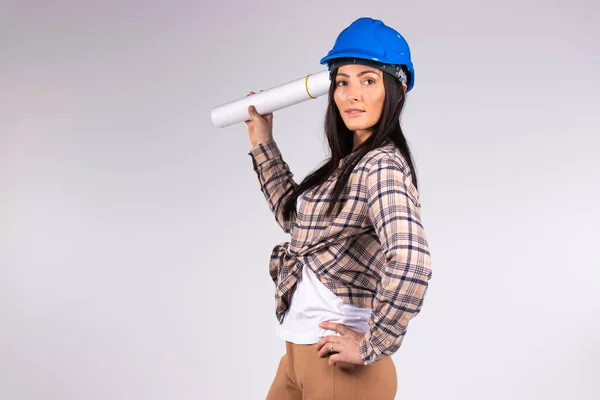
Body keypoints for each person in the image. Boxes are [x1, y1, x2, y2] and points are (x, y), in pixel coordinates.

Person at [245, 17, 432, 400]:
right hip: (298, 360)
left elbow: (412, 261)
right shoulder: (348, 163)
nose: (351, 95)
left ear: (396, 89)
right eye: (342, 82)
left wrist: (371, 345)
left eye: (368, 80)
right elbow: (295, 223)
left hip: (340, 371)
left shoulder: (380, 165)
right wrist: (263, 141)